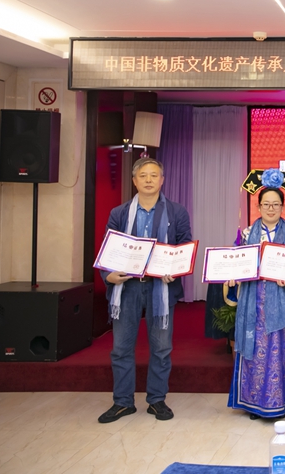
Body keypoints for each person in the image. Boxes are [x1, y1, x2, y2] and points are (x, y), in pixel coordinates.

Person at [98, 157, 192, 424]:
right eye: (143, 175)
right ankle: (122, 402)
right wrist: (107, 275)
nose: (149, 180)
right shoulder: (119, 213)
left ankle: (156, 400)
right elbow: (108, 250)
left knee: (161, 348)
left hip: (161, 289)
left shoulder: (176, 212)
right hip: (126, 289)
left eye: (154, 175)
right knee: (121, 348)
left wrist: (176, 269)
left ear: (162, 180)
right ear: (134, 181)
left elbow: (184, 246)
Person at [228, 175, 285, 420]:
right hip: (253, 302)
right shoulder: (246, 234)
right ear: (258, 206)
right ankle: (254, 403)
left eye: (276, 204)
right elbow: (235, 262)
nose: (271, 208)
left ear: (283, 207)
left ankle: (281, 402)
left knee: (281, 351)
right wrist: (232, 277)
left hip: (284, 301)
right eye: (266, 204)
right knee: (255, 351)